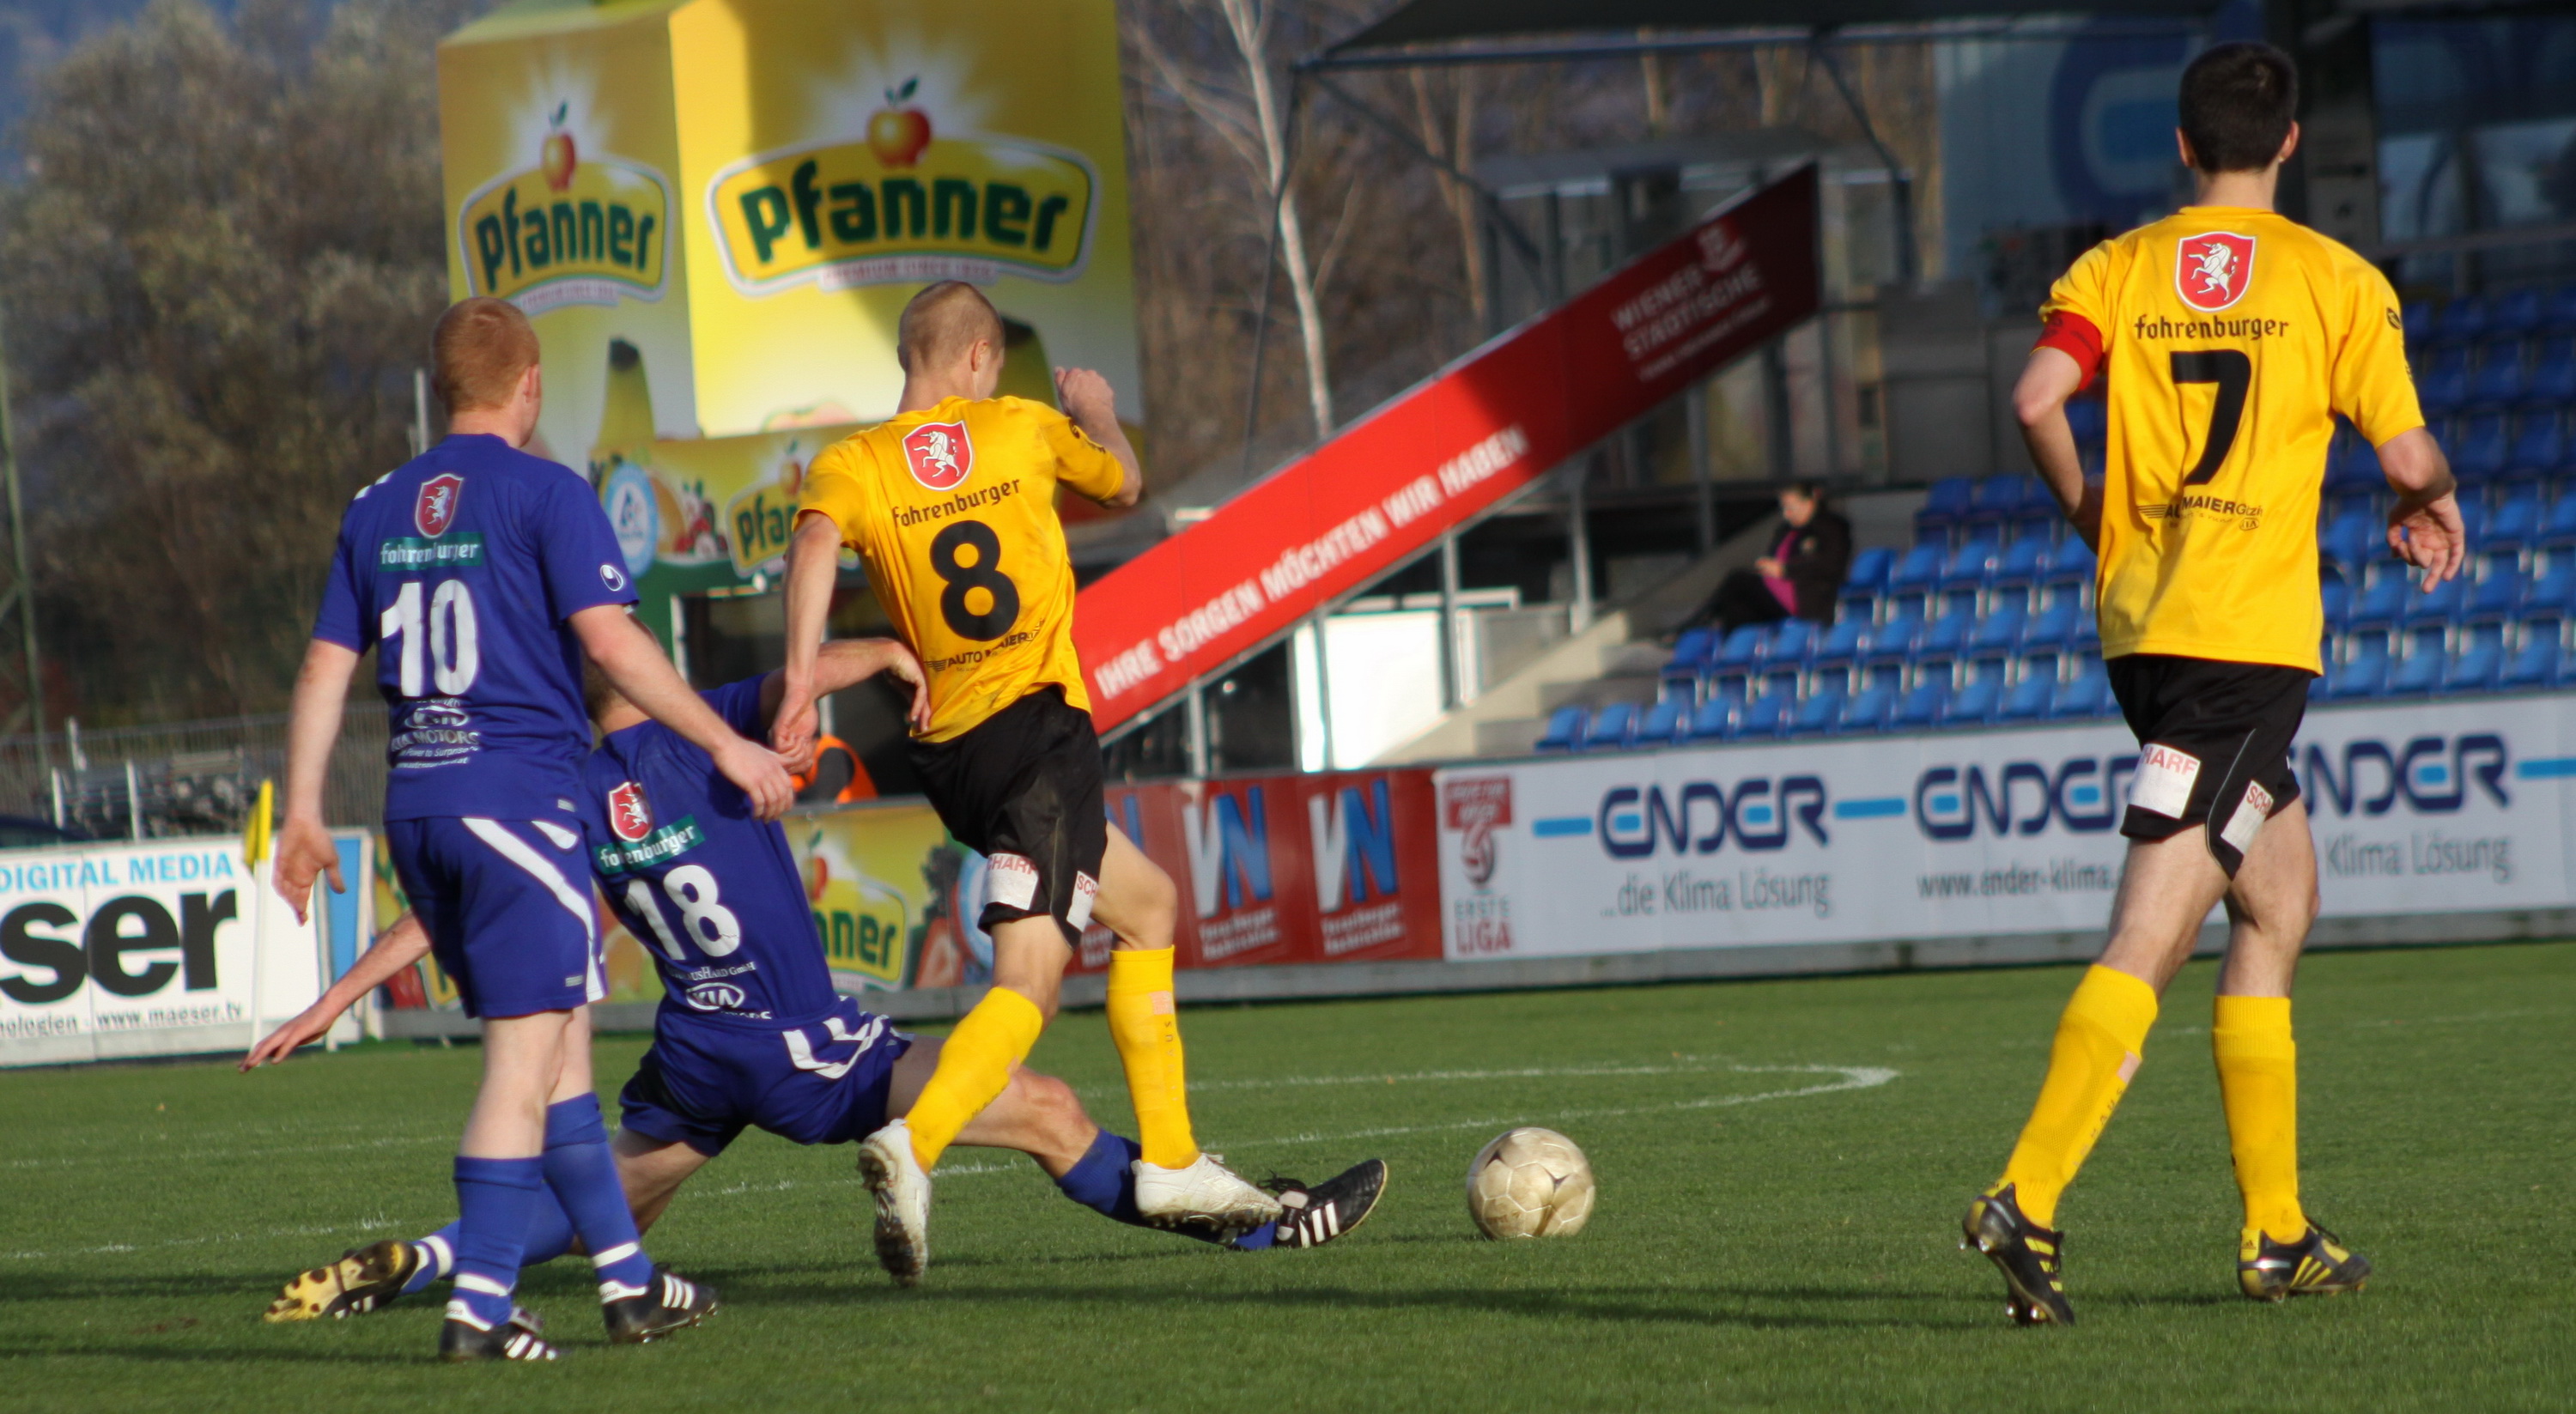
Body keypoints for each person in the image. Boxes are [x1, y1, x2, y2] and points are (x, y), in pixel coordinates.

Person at [248, 642, 1386, 1325]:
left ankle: (418, 1262)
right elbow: (805, 678)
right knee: (1049, 1110)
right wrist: (888, 653)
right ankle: (1259, 1227)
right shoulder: (702, 730)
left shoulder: (571, 793)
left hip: (699, 1047)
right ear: (638, 664)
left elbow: (441, 915)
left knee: (611, 1210)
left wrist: (335, 999)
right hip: (799, 1043)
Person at [1963, 41, 2462, 1326]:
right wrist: (2434, 497)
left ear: (2183, 145)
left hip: (2147, 632)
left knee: (2280, 900)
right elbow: (2407, 452)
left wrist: (2092, 515)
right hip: (2246, 645)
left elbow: (2035, 398)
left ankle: (2277, 1230)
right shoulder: (2335, 280)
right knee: (2154, 929)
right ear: (2289, 143)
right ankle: (2027, 1191)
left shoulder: (2117, 269)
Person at [270, 296, 797, 1362]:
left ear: (442, 389)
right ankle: (478, 1312)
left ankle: (628, 1286)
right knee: (521, 1068)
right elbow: (614, 643)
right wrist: (727, 745)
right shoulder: (549, 491)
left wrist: (305, 809)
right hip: (516, 804)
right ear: (531, 384)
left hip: (421, 810)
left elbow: (326, 666)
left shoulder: (375, 506)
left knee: (560, 1063)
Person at [776, 281, 1286, 1285]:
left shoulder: (854, 463)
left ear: (908, 356)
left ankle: (1171, 1158)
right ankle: (915, 1142)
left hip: (955, 761)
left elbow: (812, 545)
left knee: (1148, 905)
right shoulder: (1021, 426)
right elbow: (1125, 486)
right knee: (1030, 987)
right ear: (978, 357)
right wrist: (1096, 411)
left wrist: (801, 679)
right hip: (1040, 738)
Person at [1688, 481, 1851, 635]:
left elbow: (1828, 564)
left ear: (1808, 503)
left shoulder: (1831, 528)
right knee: (1736, 606)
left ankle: (1695, 624)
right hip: (1775, 593)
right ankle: (1733, 649)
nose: (1787, 514)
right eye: (1784, 508)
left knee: (1738, 580)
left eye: (1791, 508)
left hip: (1805, 596)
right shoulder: (1785, 530)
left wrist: (1784, 570)